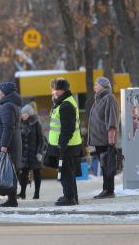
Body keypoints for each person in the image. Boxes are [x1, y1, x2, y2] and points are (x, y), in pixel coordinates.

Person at [48, 78, 82, 206]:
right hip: (68, 145)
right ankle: (71, 196)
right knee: (68, 173)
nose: (53, 92)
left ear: (62, 91)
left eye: (56, 90)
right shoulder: (63, 102)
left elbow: (68, 128)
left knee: (66, 173)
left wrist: (62, 144)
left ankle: (69, 198)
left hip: (66, 145)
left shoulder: (66, 105)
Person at [0, 82, 22, 207]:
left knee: (8, 171)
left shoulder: (7, 106)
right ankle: (11, 198)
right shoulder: (12, 105)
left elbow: (8, 127)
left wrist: (4, 146)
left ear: (4, 92)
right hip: (12, 143)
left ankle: (12, 199)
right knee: (10, 170)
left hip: (8, 145)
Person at [88, 76, 119, 199]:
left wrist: (111, 141)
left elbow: (112, 120)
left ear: (103, 86)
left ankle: (109, 190)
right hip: (98, 140)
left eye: (97, 84)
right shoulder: (98, 100)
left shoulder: (109, 98)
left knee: (107, 165)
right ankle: (106, 189)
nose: (94, 86)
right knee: (104, 165)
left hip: (106, 140)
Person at [17, 104, 45, 200]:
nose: (22, 115)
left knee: (37, 173)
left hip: (34, 153)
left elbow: (42, 140)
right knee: (23, 173)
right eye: (22, 114)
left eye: (24, 114)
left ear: (29, 114)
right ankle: (22, 193)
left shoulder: (36, 123)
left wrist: (40, 152)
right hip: (24, 154)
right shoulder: (20, 123)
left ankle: (36, 193)